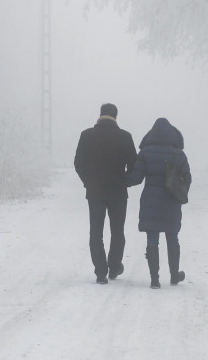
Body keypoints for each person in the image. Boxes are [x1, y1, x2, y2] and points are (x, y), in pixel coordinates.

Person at [74, 103, 137, 284]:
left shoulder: (86, 136)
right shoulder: (125, 137)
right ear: (116, 116)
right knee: (117, 232)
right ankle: (115, 267)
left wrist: (88, 182)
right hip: (118, 192)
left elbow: (78, 163)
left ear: (100, 115)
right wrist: (125, 181)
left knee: (96, 232)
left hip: (95, 192)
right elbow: (134, 164)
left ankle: (101, 272)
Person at [126, 117, 191, 289]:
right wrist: (181, 193)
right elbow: (187, 178)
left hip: (150, 200)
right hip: (172, 200)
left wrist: (118, 179)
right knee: (172, 236)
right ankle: (174, 276)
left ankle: (154, 279)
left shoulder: (146, 153)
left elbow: (135, 178)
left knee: (152, 237)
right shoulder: (179, 154)